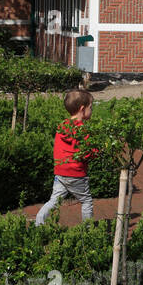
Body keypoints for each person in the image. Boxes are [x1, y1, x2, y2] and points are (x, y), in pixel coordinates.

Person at [35, 89, 97, 226]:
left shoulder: (62, 126)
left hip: (60, 171)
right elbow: (85, 153)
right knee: (86, 201)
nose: (91, 110)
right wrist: (96, 150)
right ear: (82, 109)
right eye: (90, 107)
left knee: (54, 201)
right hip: (76, 173)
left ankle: (38, 223)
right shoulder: (82, 130)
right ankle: (89, 230)